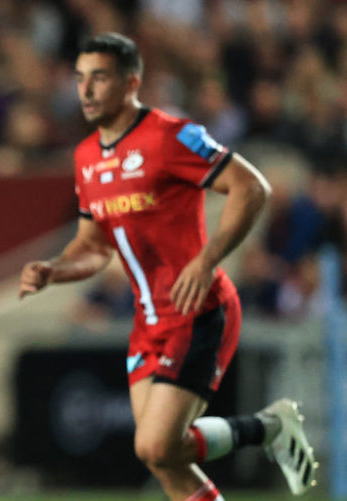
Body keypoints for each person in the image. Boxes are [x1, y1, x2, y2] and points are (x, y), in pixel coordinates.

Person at [18, 34, 317, 500]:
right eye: (80, 78)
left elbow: (251, 187)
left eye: (99, 77)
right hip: (148, 321)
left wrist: (207, 259)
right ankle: (270, 427)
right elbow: (94, 247)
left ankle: (266, 428)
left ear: (131, 83)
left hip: (198, 309)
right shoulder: (86, 158)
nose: (86, 90)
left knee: (156, 445)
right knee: (162, 457)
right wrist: (54, 270)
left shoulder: (170, 136)